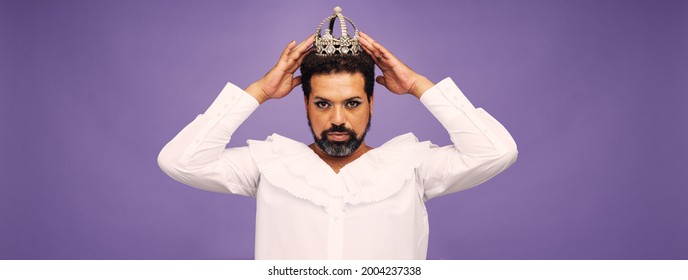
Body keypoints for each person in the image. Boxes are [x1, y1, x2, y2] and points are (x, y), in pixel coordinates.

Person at [158, 9, 517, 260]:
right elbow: (180, 161)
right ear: (306, 105)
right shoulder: (269, 165)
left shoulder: (413, 168)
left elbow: (495, 152)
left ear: (372, 104)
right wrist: (258, 92)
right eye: (324, 104)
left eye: (353, 103)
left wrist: (419, 85)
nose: (338, 119)